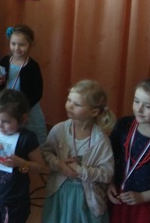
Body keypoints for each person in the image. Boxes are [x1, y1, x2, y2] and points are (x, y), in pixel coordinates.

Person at [42, 80, 116, 222]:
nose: (69, 105)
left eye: (77, 104)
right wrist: (59, 164)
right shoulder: (59, 130)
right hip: (60, 193)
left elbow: (107, 174)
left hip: (88, 199)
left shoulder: (100, 140)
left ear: (94, 112)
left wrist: (80, 170)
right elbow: (46, 153)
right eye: (69, 100)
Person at [0, 89, 46, 223]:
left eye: (6, 121)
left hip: (12, 201)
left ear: (23, 119)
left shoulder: (27, 138)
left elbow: (40, 166)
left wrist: (20, 162)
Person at [107, 77, 150, 222]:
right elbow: (109, 157)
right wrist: (109, 183)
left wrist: (143, 197)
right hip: (119, 199)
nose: (139, 109)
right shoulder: (124, 125)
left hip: (148, 206)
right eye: (136, 101)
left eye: (148, 106)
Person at [0, 25, 46, 145]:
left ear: (30, 45)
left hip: (27, 109)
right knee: (9, 134)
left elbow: (38, 92)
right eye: (13, 44)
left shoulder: (33, 66)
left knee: (30, 137)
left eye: (21, 45)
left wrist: (23, 108)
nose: (17, 48)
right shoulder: (4, 61)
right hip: (7, 106)